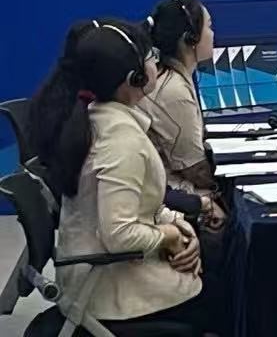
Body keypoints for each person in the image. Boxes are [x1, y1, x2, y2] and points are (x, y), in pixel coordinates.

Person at [29, 19, 225, 331]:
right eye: (151, 57)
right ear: (135, 77)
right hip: (109, 289)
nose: (156, 62)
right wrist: (171, 236)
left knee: (218, 277)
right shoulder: (122, 142)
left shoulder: (99, 119)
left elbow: (144, 204)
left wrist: (180, 227)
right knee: (232, 296)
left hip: (108, 272)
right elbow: (119, 234)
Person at [141, 0, 226, 233]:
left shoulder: (174, 79)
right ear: (190, 38)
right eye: (209, 26)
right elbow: (194, 168)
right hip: (170, 197)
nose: (213, 34)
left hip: (166, 190)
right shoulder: (173, 90)